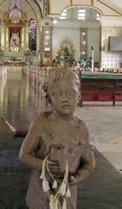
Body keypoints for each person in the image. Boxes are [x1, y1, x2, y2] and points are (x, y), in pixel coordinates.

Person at [19, 68, 95, 209]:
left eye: (70, 93)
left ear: (78, 97)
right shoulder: (41, 123)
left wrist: (76, 178)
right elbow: (23, 155)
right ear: (48, 98)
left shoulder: (81, 128)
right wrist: (44, 166)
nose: (64, 98)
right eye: (57, 94)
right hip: (41, 190)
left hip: (67, 190)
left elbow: (89, 164)